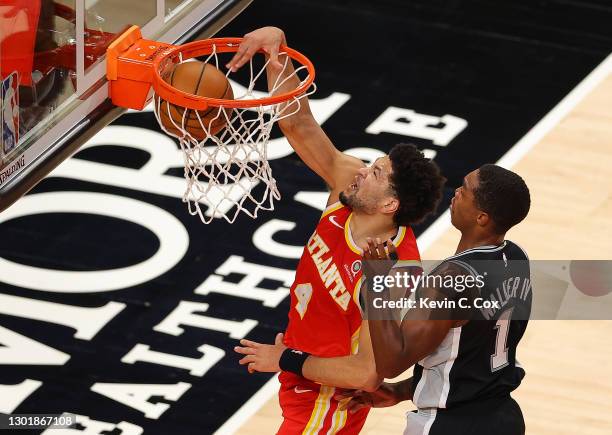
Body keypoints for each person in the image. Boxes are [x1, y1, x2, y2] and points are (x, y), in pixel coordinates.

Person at [229, 27, 445, 434]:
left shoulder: (393, 274)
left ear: (389, 205)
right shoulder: (348, 189)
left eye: (376, 172)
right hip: (305, 381)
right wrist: (276, 53)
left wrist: (285, 359)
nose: (363, 169)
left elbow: (365, 374)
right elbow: (301, 126)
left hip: (327, 404)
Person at [237, 164, 531, 435]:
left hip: (449, 425)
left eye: (465, 190)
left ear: (481, 217)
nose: (456, 192)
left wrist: (379, 284)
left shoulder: (450, 279)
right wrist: (400, 392)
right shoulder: (516, 259)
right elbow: (472, 355)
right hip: (503, 418)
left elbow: (390, 362)